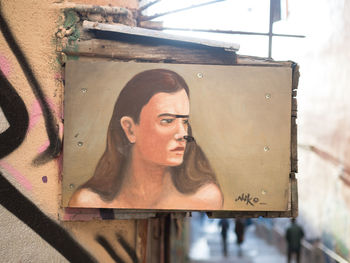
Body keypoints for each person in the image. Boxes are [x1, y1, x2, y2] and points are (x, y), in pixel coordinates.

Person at [69, 69, 223, 209]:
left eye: (184, 121)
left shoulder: (205, 199)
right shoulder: (87, 202)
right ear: (129, 128)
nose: (183, 134)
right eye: (167, 121)